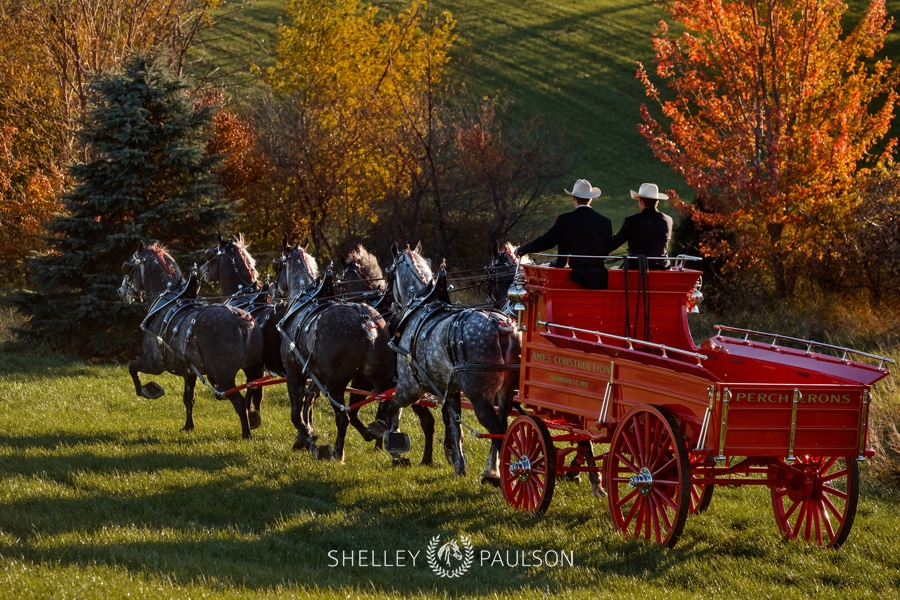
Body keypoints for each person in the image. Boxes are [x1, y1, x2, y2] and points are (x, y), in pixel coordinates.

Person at [515, 178, 613, 289]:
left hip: (568, 276)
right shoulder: (605, 222)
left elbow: (546, 241)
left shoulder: (565, 220)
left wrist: (523, 249)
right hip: (598, 277)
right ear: (590, 199)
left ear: (574, 198)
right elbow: (607, 248)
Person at [610, 182, 674, 270]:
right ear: (657, 202)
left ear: (641, 202)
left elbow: (615, 242)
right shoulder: (668, 220)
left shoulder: (632, 221)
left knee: (613, 268)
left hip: (637, 268)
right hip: (662, 267)